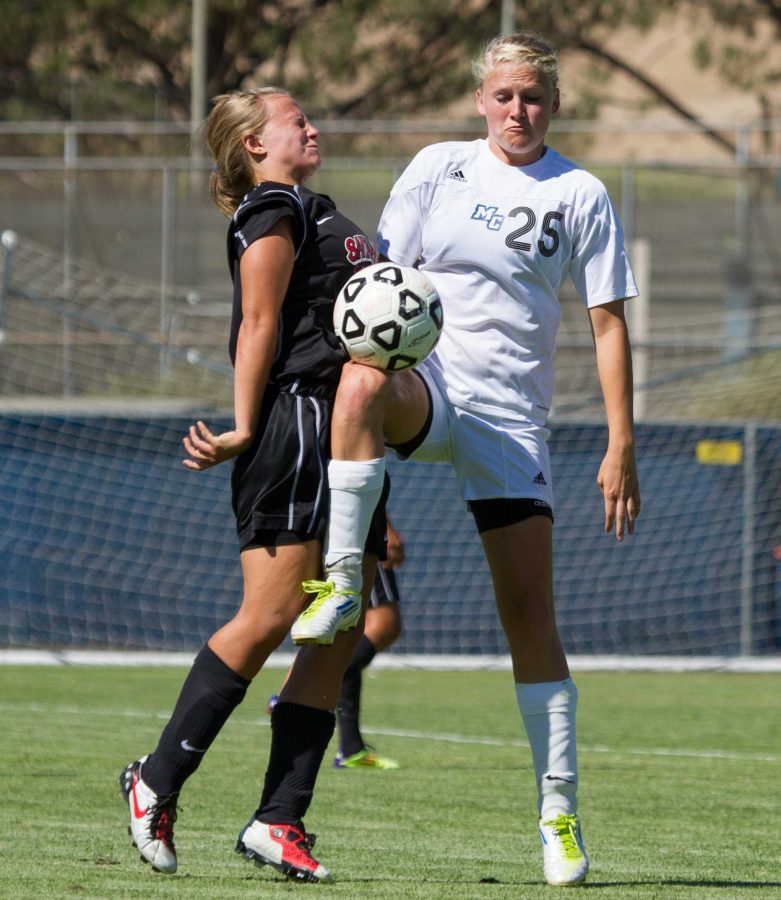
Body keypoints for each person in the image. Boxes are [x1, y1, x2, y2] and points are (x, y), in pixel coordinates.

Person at [290, 31, 641, 888]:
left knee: (530, 620)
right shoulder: (437, 166)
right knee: (363, 382)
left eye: (532, 97)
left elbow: (606, 324)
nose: (516, 110)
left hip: (510, 421)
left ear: (552, 105)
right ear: (480, 99)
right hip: (429, 384)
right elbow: (378, 284)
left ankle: (557, 811)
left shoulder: (580, 193)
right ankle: (341, 578)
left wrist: (620, 441)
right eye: (503, 96)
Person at [117, 86, 386, 884]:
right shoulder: (271, 207)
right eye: (291, 118)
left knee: (338, 630)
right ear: (252, 147)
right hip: (297, 426)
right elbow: (259, 322)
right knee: (271, 614)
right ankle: (156, 778)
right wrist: (240, 426)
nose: (309, 124)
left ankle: (279, 819)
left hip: (345, 432)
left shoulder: (311, 204)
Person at [268, 516, 405, 770]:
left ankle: (351, 748)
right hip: (354, 524)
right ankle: (291, 693)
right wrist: (386, 528)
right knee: (383, 624)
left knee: (350, 628)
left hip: (330, 523)